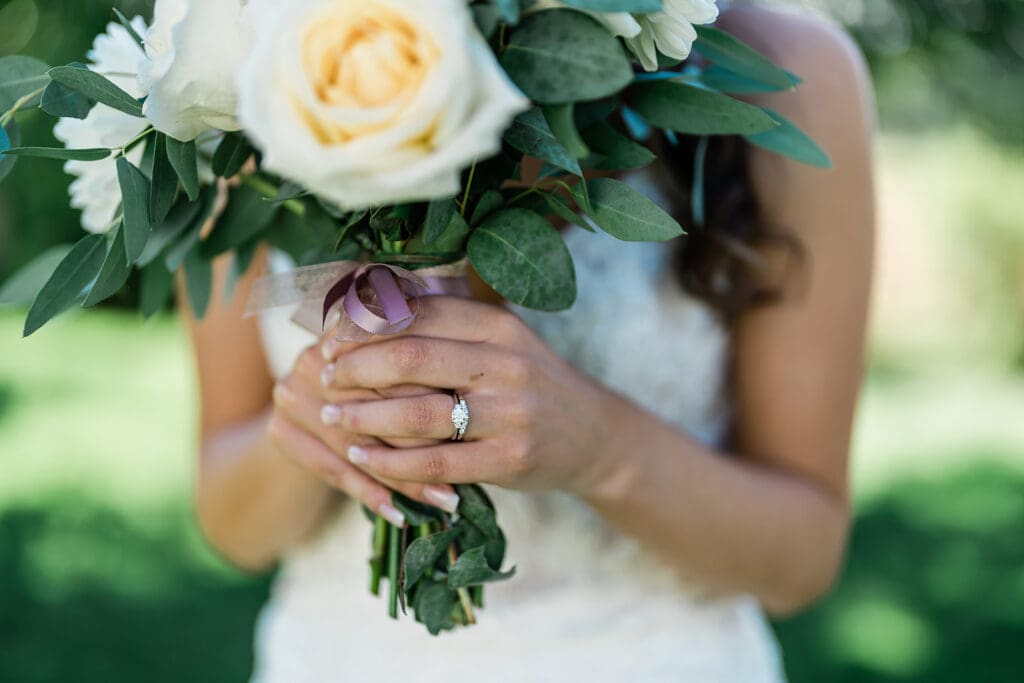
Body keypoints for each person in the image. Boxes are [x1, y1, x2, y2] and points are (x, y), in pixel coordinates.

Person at [182, 4, 875, 681]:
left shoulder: (792, 69)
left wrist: (602, 450)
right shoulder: (236, 56)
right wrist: (330, 422)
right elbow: (231, 522)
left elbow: (802, 558)